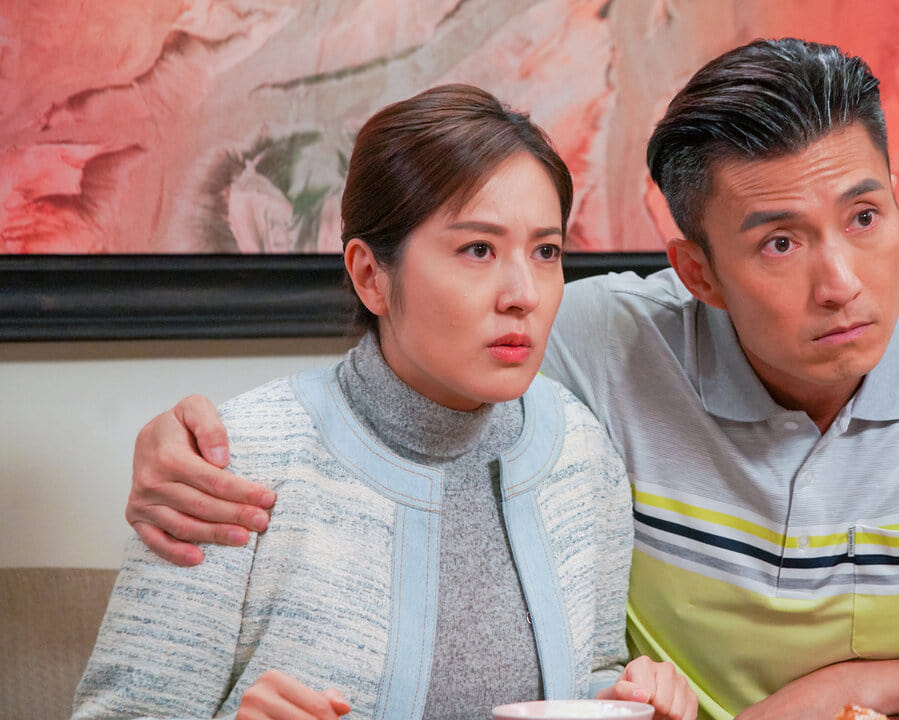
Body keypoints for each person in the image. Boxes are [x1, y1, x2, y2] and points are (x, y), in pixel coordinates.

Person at [123, 39, 899, 719]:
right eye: (780, 242)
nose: (842, 282)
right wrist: (189, 441)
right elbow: (390, 391)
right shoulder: (592, 352)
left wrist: (852, 689)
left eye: (865, 218)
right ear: (698, 273)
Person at [74, 84, 696, 720]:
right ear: (371, 275)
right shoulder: (231, 465)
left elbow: (586, 675)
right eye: (478, 249)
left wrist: (625, 700)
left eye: (546, 251)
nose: (524, 294)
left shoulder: (580, 453)